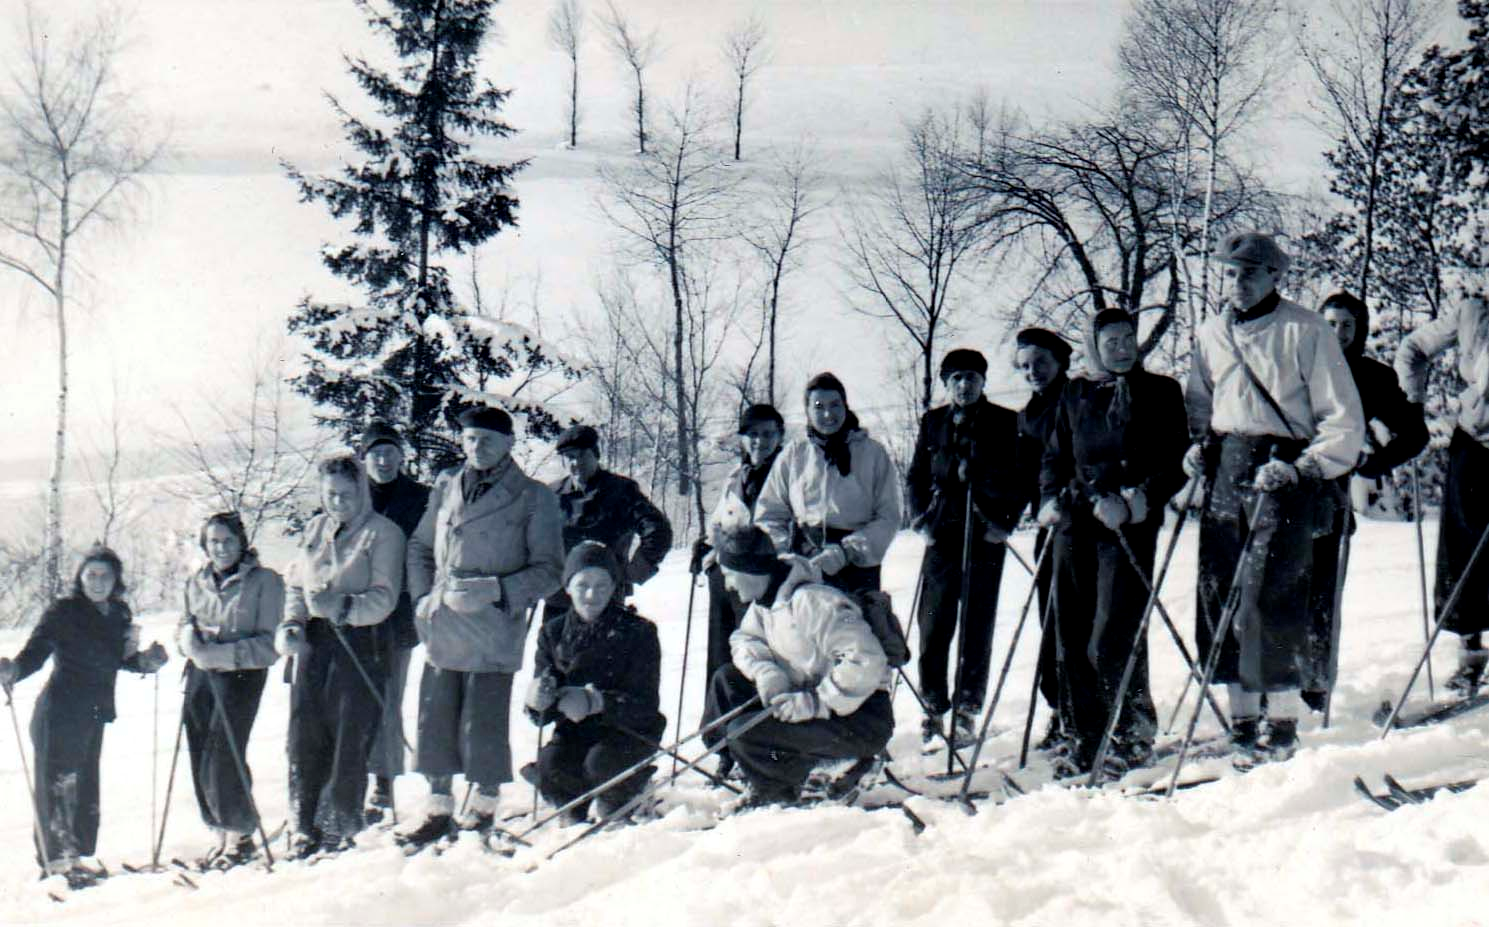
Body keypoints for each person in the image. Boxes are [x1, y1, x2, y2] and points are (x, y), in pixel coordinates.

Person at [1185, 231, 1364, 764]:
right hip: (1227, 468)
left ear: (1274, 276)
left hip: (1281, 470)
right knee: (1220, 594)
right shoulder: (1211, 332)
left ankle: (1281, 720)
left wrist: (1303, 466)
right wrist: (1198, 448)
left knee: (1273, 594)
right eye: (1231, 272)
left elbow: (1342, 417)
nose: (1238, 283)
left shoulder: (1305, 330)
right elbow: (1200, 399)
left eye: (1250, 272)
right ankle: (1241, 718)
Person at [400, 405, 564, 847]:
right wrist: (421, 599)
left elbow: (550, 571)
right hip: (443, 626)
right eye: (470, 438)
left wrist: (496, 589)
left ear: (510, 443)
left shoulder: (533, 496)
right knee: (434, 722)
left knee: (481, 725)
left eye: (488, 439)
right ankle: (437, 810)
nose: (478, 447)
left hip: (492, 629)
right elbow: (419, 546)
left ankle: (482, 812)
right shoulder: (446, 486)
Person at [1038, 309, 1189, 777]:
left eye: (1129, 339)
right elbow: (1056, 456)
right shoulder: (1075, 392)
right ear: (1095, 345)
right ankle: (1085, 737)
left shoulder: (1161, 391)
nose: (1123, 348)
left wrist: (1134, 501)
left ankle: (1131, 733)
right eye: (1112, 341)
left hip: (1127, 526)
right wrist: (1049, 498)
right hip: (1077, 524)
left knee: (1112, 635)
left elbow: (1175, 462)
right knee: (1073, 636)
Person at [0, 545, 169, 886]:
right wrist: (14, 670)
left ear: (116, 580)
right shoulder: (64, 611)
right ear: (79, 577)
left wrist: (146, 662)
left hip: (94, 714)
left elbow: (122, 657)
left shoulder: (119, 613)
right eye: (90, 574)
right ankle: (57, 864)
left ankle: (74, 858)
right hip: (59, 712)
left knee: (83, 788)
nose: (98, 581)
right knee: (58, 787)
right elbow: (36, 651)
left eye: (105, 575)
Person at [701, 526, 894, 806]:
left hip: (859, 718)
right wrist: (767, 673)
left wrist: (816, 703)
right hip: (813, 705)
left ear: (751, 571)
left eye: (730, 575)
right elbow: (743, 640)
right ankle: (750, 765)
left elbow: (866, 659)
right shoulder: (764, 605)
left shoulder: (813, 601)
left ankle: (792, 785)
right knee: (725, 680)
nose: (728, 585)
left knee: (744, 729)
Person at [278, 453, 407, 858]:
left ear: (362, 492)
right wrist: (293, 623)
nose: (338, 503)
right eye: (331, 494)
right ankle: (303, 821)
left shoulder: (383, 534)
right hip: (317, 644)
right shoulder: (315, 529)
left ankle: (338, 821)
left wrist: (342, 606)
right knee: (305, 731)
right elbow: (297, 586)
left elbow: (384, 598)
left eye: (347, 495)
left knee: (350, 734)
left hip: (361, 641)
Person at [1304, 292, 1428, 710]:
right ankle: (1275, 694)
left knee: (1323, 594)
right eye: (1330, 323)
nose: (1337, 333)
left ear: (1359, 329)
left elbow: (1414, 434)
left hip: (1333, 496)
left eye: (1347, 325)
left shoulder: (1372, 376)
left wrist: (1374, 463)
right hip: (1289, 489)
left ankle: (1317, 691)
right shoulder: (1299, 363)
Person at [905, 348, 1025, 746]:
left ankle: (968, 710)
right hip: (943, 534)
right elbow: (916, 477)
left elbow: (1020, 481)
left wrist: (1004, 523)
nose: (964, 384)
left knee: (977, 625)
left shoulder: (1007, 422)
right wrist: (921, 520)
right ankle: (933, 706)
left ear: (983, 381)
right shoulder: (933, 422)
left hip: (984, 535)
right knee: (934, 624)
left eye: (972, 377)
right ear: (945, 383)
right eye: (956, 378)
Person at [523, 541, 665, 824]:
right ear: (567, 587)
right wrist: (537, 701)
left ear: (615, 587)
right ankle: (577, 801)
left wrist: (596, 702)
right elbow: (543, 711)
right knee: (551, 766)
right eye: (582, 585)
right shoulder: (553, 632)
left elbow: (645, 706)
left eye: (602, 585)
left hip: (627, 731)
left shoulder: (639, 631)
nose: (592, 594)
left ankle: (629, 792)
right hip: (575, 732)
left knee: (600, 764)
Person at [176, 512, 284, 868]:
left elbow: (268, 646)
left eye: (227, 541)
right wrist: (188, 640)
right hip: (200, 675)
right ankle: (222, 833)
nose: (221, 548)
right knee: (199, 754)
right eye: (213, 542)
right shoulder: (197, 581)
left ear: (241, 542)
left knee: (224, 755)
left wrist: (215, 654)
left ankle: (240, 836)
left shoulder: (265, 581)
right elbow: (185, 625)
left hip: (240, 676)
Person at [1395, 289, 1489, 694]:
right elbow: (1413, 348)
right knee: (1464, 547)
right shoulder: (1473, 312)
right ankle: (1470, 656)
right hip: (1474, 440)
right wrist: (1412, 404)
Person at [754, 372, 902, 597]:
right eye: (818, 406)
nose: (827, 414)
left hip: (857, 564)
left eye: (835, 405)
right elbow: (769, 514)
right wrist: (783, 553)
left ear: (845, 406)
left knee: (856, 628)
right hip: (805, 561)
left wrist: (846, 552)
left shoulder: (872, 453)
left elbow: (888, 517)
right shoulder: (794, 455)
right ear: (807, 411)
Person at [358, 420, 431, 823]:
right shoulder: (351, 497)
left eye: (390, 452)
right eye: (375, 453)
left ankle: (383, 782)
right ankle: (352, 778)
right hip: (356, 615)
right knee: (354, 697)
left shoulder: (421, 498)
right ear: (364, 458)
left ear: (403, 456)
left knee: (387, 694)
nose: (384, 460)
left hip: (399, 615)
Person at [693, 403, 785, 695]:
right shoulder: (735, 477)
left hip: (760, 578)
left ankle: (751, 728)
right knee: (721, 650)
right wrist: (706, 545)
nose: (760, 441)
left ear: (779, 436)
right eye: (753, 434)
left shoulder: (788, 474)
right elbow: (721, 521)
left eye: (768, 434)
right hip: (726, 576)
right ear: (742, 438)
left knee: (753, 651)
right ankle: (720, 730)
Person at [1013, 327, 1075, 751]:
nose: (1033, 372)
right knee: (1050, 621)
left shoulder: (1078, 399)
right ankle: (1061, 710)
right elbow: (1021, 476)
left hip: (1080, 523)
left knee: (1077, 622)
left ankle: (1082, 712)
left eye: (1042, 363)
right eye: (1026, 366)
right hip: (1046, 527)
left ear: (1061, 362)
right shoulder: (1027, 414)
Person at [550, 424, 673, 598]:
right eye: (569, 457)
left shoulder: (621, 491)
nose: (576, 463)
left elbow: (657, 530)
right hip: (560, 596)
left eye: (582, 455)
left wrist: (635, 572)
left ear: (596, 454)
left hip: (605, 594)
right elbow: (534, 540)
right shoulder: (552, 495)